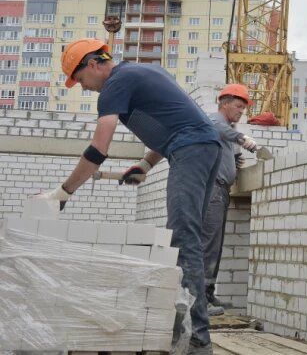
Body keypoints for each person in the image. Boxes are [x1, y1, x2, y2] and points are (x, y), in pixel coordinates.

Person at [36, 38, 222, 355]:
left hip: (191, 150)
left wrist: (62, 193)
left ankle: (197, 339)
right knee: (187, 236)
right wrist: (146, 163)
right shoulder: (140, 73)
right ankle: (190, 330)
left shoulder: (114, 85)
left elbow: (98, 150)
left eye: (80, 80)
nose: (83, 88)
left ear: (93, 64)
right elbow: (175, 121)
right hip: (203, 147)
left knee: (183, 237)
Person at [203, 84, 258, 316]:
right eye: (238, 106)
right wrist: (243, 138)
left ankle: (208, 292)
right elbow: (218, 130)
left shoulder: (229, 129)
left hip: (223, 190)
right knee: (208, 243)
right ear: (224, 103)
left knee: (216, 245)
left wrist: (236, 162)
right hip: (212, 189)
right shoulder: (215, 121)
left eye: (244, 108)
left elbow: (232, 154)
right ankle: (199, 298)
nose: (241, 112)